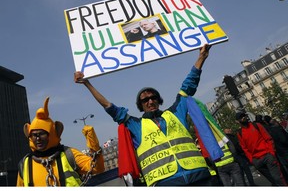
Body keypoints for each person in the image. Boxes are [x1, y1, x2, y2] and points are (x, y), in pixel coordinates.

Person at [74, 44, 213, 186]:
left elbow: (188, 86)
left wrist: (201, 57)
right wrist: (87, 84)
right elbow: (109, 106)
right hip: (165, 183)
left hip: (200, 175)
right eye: (145, 100)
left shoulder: (176, 113)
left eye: (154, 98)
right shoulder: (136, 125)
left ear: (159, 100)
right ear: (140, 105)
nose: (150, 101)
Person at [16, 97, 105, 187]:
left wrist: (92, 140)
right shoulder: (24, 164)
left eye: (42, 134)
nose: (38, 139)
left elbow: (98, 168)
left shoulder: (69, 154)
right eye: (34, 135)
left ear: (52, 134)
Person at [235, 111, 287, 186]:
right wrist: (252, 160)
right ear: (237, 121)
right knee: (273, 180)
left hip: (267, 155)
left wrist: (271, 152)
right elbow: (244, 148)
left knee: (278, 178)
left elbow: (268, 138)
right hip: (257, 160)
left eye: (244, 116)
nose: (243, 118)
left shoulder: (256, 125)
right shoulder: (239, 133)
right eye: (241, 117)